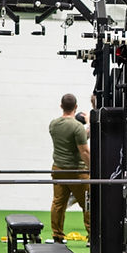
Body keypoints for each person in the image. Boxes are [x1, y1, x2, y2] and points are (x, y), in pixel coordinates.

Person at [48, 93, 91, 243]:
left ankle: (57, 236)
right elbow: (84, 151)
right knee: (88, 203)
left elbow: (71, 140)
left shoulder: (53, 124)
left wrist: (88, 127)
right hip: (77, 172)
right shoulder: (77, 127)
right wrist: (93, 169)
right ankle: (92, 236)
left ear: (61, 106)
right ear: (76, 107)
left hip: (58, 170)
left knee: (58, 203)